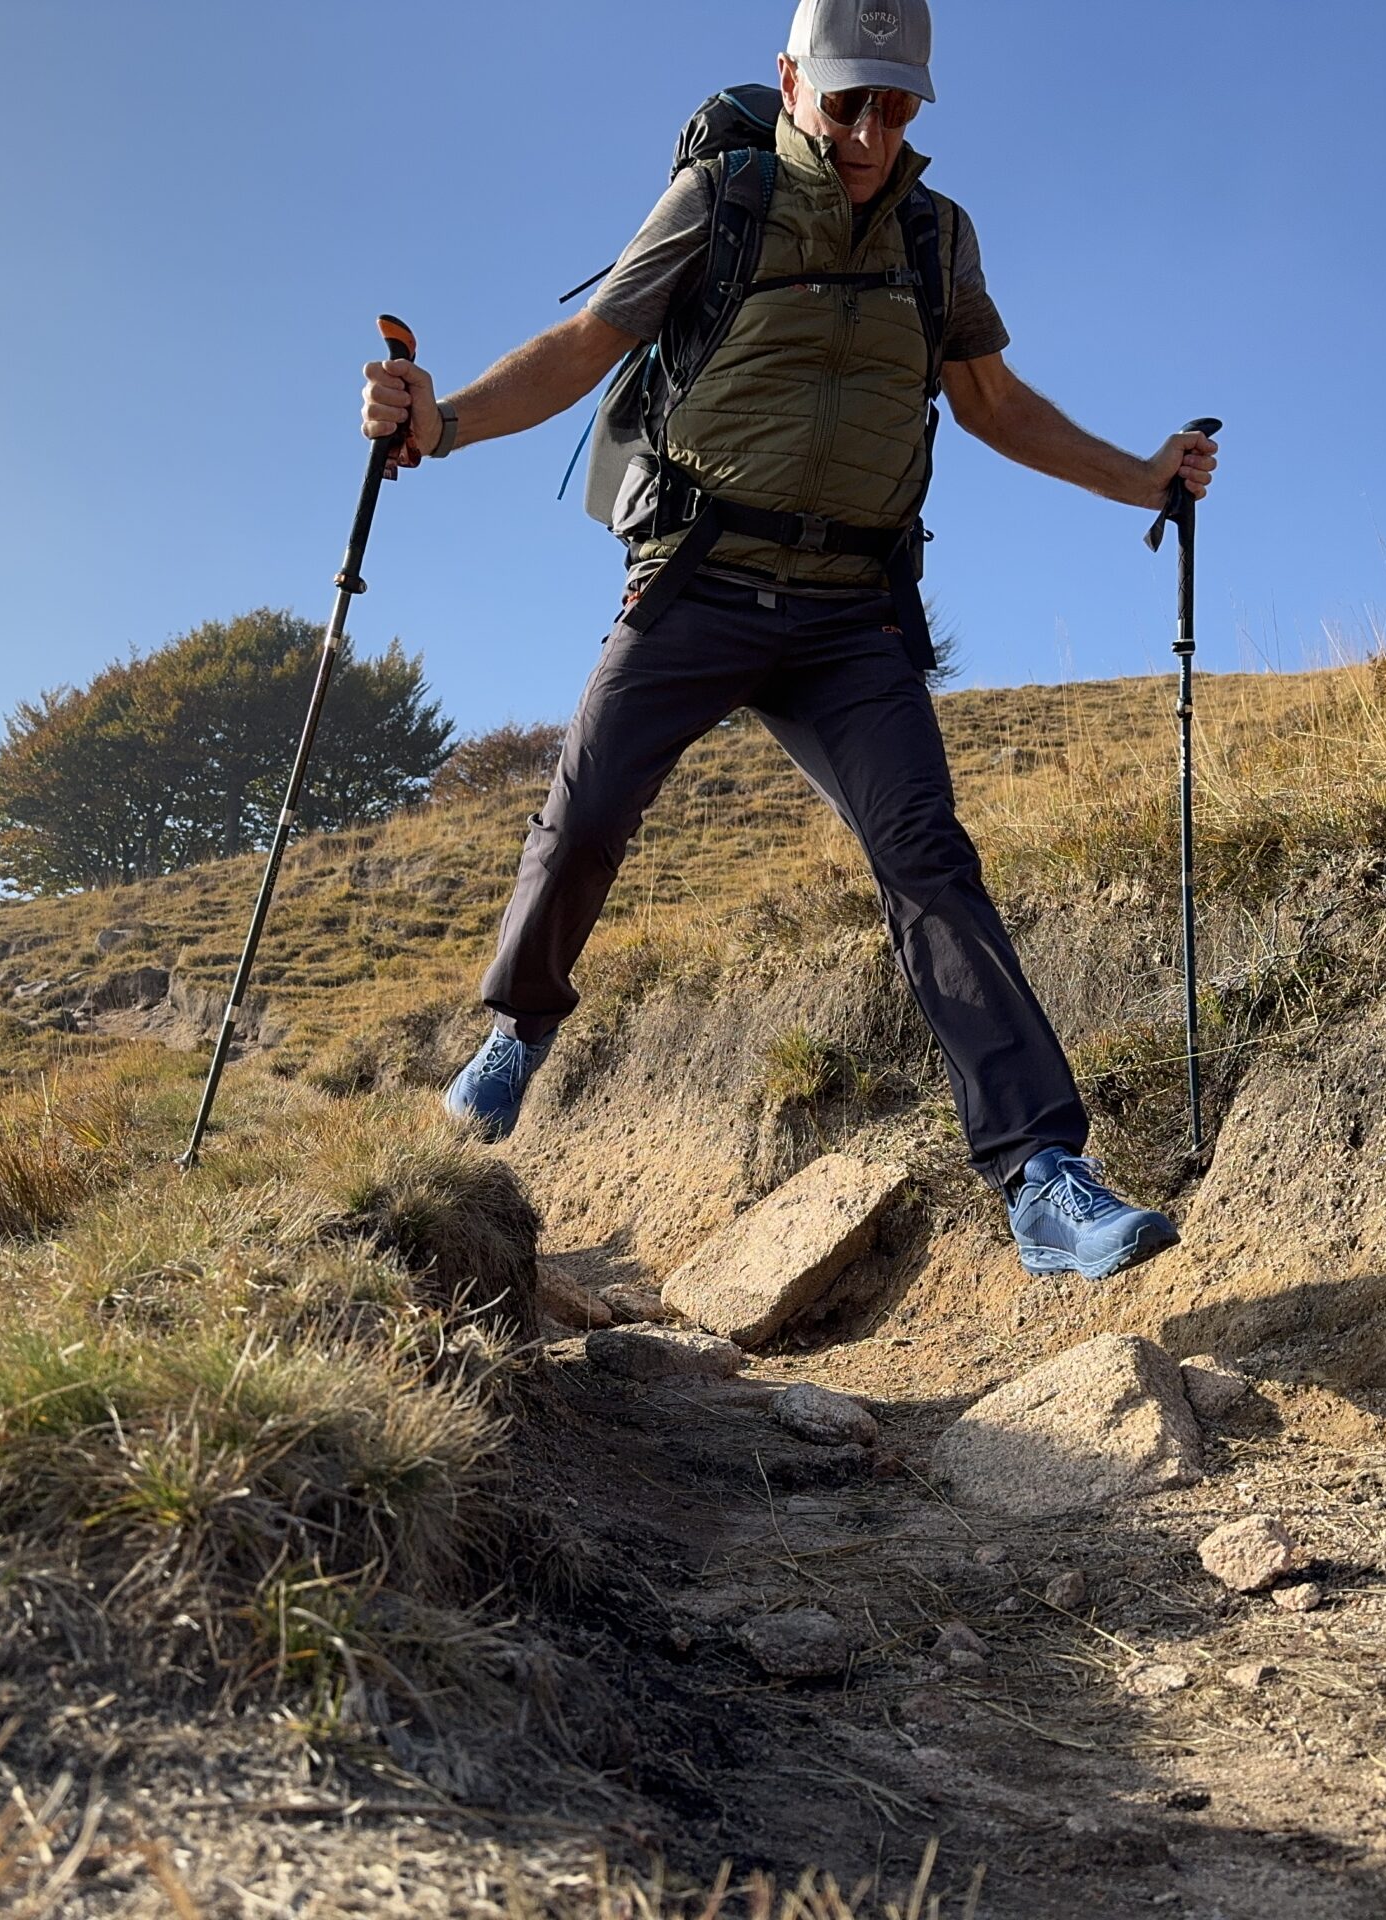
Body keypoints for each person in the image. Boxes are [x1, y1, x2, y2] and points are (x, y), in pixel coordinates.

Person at [359, 0, 1217, 1281]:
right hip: (699, 579)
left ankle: (1044, 1175)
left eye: (897, 106)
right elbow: (587, 348)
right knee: (586, 812)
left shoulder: (938, 237)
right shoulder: (721, 202)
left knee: (929, 859)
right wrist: (440, 424)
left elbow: (990, 401)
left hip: (851, 616)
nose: (872, 131)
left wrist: (1141, 479)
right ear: (791, 81)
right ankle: (518, 1034)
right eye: (847, 101)